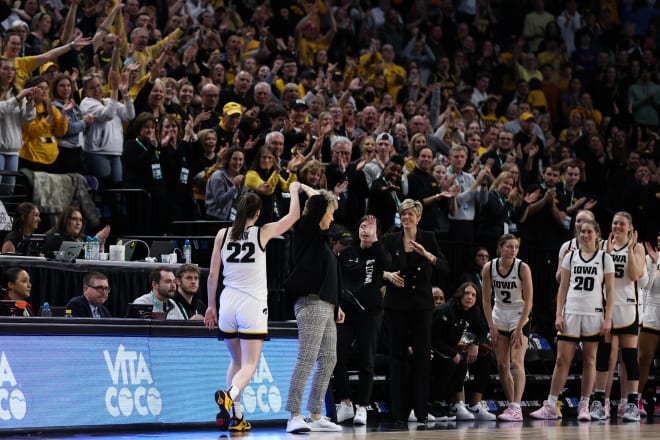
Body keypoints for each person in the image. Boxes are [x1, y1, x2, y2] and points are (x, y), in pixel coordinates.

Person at [205, 184, 302, 432]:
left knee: (235, 361)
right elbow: (293, 217)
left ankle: (237, 417)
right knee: (249, 365)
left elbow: (213, 275)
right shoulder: (263, 232)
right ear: (257, 214)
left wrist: (210, 306)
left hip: (227, 303)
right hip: (252, 305)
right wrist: (293, 191)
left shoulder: (222, 234)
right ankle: (230, 395)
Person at [530, 219, 615, 421]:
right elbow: (562, 288)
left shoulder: (605, 258)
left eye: (589, 232)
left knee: (589, 360)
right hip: (571, 312)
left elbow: (611, 292)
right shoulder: (570, 257)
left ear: (597, 235)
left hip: (594, 314)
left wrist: (608, 318)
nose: (585, 235)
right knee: (562, 360)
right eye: (582, 232)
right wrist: (559, 313)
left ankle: (584, 405)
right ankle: (551, 404)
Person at [382, 199, 449, 424]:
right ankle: (398, 412)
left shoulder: (428, 237)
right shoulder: (391, 239)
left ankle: (421, 411)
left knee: (422, 357)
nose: (406, 218)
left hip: (421, 305)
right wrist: (387, 275)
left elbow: (444, 266)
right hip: (396, 305)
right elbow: (374, 264)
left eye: (410, 214)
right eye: (403, 214)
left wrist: (427, 255)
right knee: (397, 357)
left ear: (418, 217)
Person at [283, 187, 344, 433]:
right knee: (307, 358)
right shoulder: (305, 230)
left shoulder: (321, 240)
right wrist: (304, 190)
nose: (332, 218)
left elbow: (330, 276)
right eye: (330, 213)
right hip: (310, 302)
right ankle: (294, 415)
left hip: (327, 305)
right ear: (319, 212)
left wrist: (336, 305)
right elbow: (318, 201)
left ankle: (316, 414)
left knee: (329, 359)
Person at [334, 215, 391, 426]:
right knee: (338, 356)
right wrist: (338, 305)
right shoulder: (346, 253)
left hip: (370, 314)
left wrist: (374, 242)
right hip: (347, 313)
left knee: (367, 361)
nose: (365, 230)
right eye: (362, 226)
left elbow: (387, 262)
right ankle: (346, 402)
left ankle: (362, 406)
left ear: (377, 233)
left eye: (371, 227)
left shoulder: (379, 253)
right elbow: (338, 281)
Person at [591, 212, 646, 422]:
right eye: (615, 223)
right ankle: (598, 402)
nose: (617, 227)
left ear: (630, 227)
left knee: (630, 358)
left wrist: (630, 249)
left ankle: (631, 404)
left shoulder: (637, 247)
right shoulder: (603, 245)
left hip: (628, 309)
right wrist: (606, 255)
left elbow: (634, 275)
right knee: (604, 357)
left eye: (622, 224)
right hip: (606, 310)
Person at [481, 234, 534, 421]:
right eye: (509, 246)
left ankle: (516, 405)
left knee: (516, 363)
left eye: (516, 247)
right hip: (499, 315)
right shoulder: (489, 267)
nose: (513, 250)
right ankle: (513, 406)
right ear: (500, 247)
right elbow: (486, 300)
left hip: (519, 315)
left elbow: (529, 301)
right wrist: (491, 326)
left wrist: (520, 328)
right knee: (502, 365)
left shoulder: (522, 267)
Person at [430, 282, 496, 421]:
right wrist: (453, 353)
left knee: (486, 358)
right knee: (456, 363)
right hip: (436, 348)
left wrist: (475, 344)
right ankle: (439, 403)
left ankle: (474, 404)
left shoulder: (474, 312)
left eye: (473, 295)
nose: (470, 297)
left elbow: (483, 329)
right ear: (460, 294)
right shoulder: (446, 310)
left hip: (457, 346)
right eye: (467, 293)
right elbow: (433, 339)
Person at [638, 236, 659, 418]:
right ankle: (636, 399)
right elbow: (647, 286)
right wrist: (653, 264)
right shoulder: (650, 257)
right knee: (644, 359)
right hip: (652, 314)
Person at [42, 206, 110, 257]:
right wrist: (95, 241)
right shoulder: (54, 238)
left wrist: (100, 245)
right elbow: (81, 254)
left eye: (80, 220)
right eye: (74, 219)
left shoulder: (82, 238)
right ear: (65, 221)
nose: (78, 223)